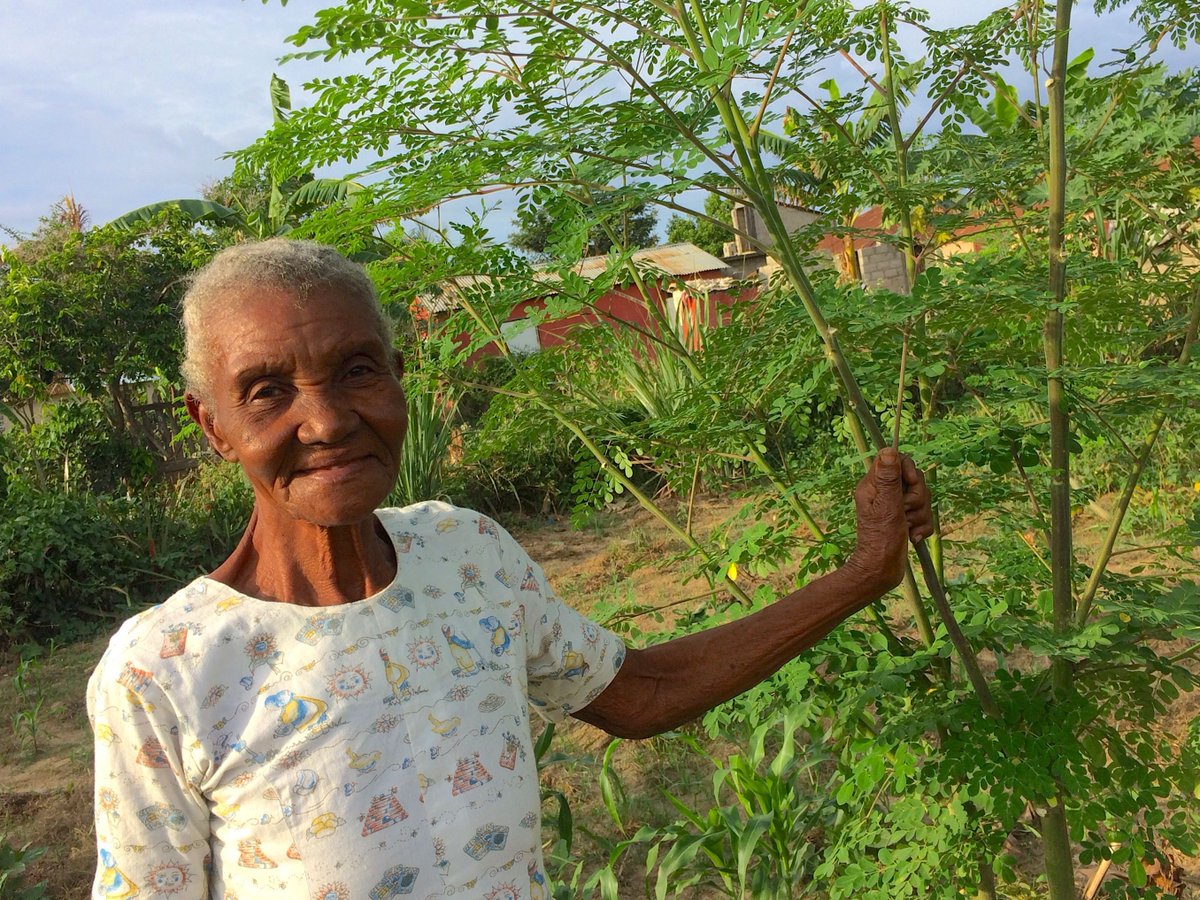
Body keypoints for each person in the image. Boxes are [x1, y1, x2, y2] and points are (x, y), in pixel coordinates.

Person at [88, 238, 933, 898]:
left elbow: (640, 696)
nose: (328, 421)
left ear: (398, 378)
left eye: (356, 370)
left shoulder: (465, 553)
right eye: (269, 391)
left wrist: (863, 574)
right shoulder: (164, 671)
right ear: (211, 424)